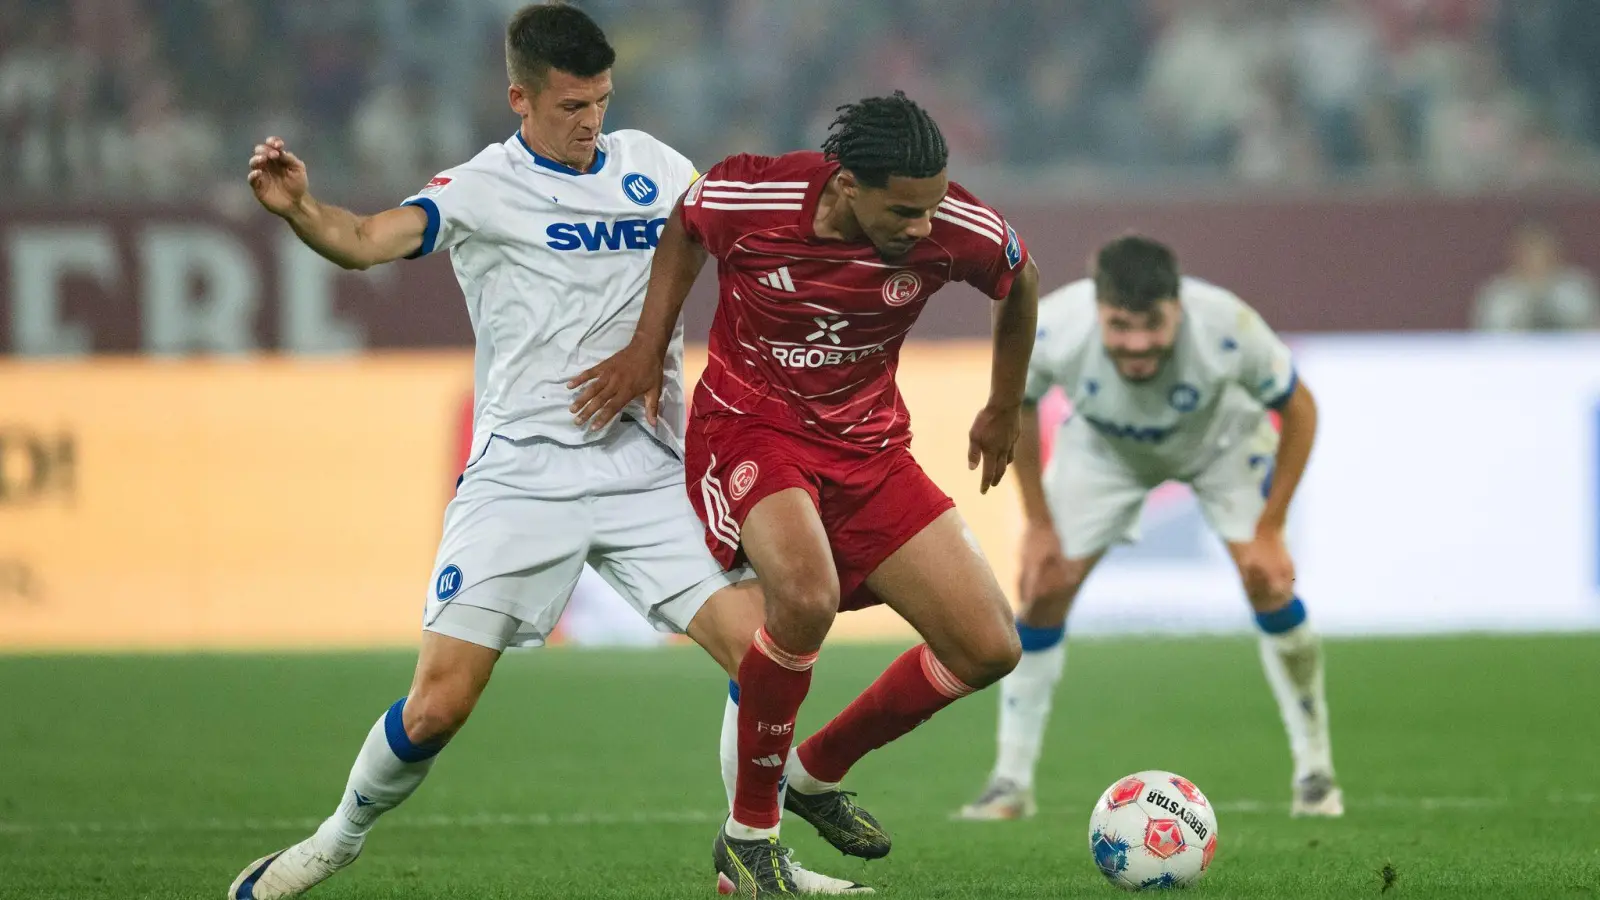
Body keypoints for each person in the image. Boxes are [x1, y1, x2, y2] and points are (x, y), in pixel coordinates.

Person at [227, 5, 861, 897]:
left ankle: (753, 855)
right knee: (439, 705)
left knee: (768, 654)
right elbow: (365, 241)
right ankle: (337, 838)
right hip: (522, 474)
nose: (591, 121)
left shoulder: (656, 167)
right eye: (571, 106)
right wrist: (300, 208)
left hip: (647, 468)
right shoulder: (482, 187)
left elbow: (738, 233)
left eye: (601, 101)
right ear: (519, 98)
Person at [571, 91, 1042, 894]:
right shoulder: (753, 195)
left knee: (989, 646)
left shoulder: (955, 226)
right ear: (847, 184)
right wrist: (648, 346)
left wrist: (1004, 405)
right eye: (905, 210)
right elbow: (685, 225)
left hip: (869, 448)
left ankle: (815, 774)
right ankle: (748, 839)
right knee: (804, 595)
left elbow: (1020, 278)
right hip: (752, 428)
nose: (923, 226)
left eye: (933, 206)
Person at [953, 235, 1342, 822]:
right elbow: (1019, 408)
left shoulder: (1228, 325)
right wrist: (1039, 523)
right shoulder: (1055, 326)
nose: (1136, 344)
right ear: (1097, 311)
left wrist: (1271, 526)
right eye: (1120, 326)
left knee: (1268, 580)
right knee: (1044, 584)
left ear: (1177, 308)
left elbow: (1301, 408)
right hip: (1104, 453)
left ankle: (1315, 772)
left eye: (1152, 326)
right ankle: (1009, 782)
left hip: (1221, 445)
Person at [1473, 221, 1598, 332]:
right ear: (1516, 255)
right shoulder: (1498, 294)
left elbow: (1591, 330)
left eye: (1541, 251)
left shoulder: (1577, 289)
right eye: (1529, 252)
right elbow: (1487, 336)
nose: (1535, 259)